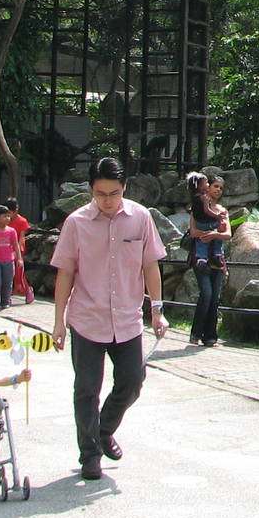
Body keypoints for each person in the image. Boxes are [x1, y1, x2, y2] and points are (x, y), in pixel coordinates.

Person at [50, 157, 168, 480]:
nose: (107, 201)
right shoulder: (76, 223)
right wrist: (59, 321)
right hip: (87, 317)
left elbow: (150, 266)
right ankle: (90, 455)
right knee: (87, 388)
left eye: (114, 193)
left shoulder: (140, 218)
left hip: (128, 318)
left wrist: (157, 310)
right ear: (91, 190)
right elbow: (65, 273)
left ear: (124, 188)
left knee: (132, 381)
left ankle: (103, 430)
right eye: (101, 194)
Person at [185, 172, 231, 347]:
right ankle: (196, 333)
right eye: (215, 186)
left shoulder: (222, 211)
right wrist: (210, 234)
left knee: (214, 297)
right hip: (200, 257)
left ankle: (210, 336)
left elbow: (227, 234)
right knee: (207, 293)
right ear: (207, 187)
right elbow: (193, 231)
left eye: (221, 188)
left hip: (218, 257)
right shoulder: (197, 206)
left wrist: (213, 234)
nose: (218, 190)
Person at [6, 197, 36, 304]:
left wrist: (17, 252)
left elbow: (21, 237)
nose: (8, 215)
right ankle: (8, 293)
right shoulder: (6, 220)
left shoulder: (22, 221)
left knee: (19, 273)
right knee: (8, 273)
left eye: (10, 212)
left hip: (18, 249)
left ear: (15, 211)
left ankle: (27, 290)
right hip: (7, 249)